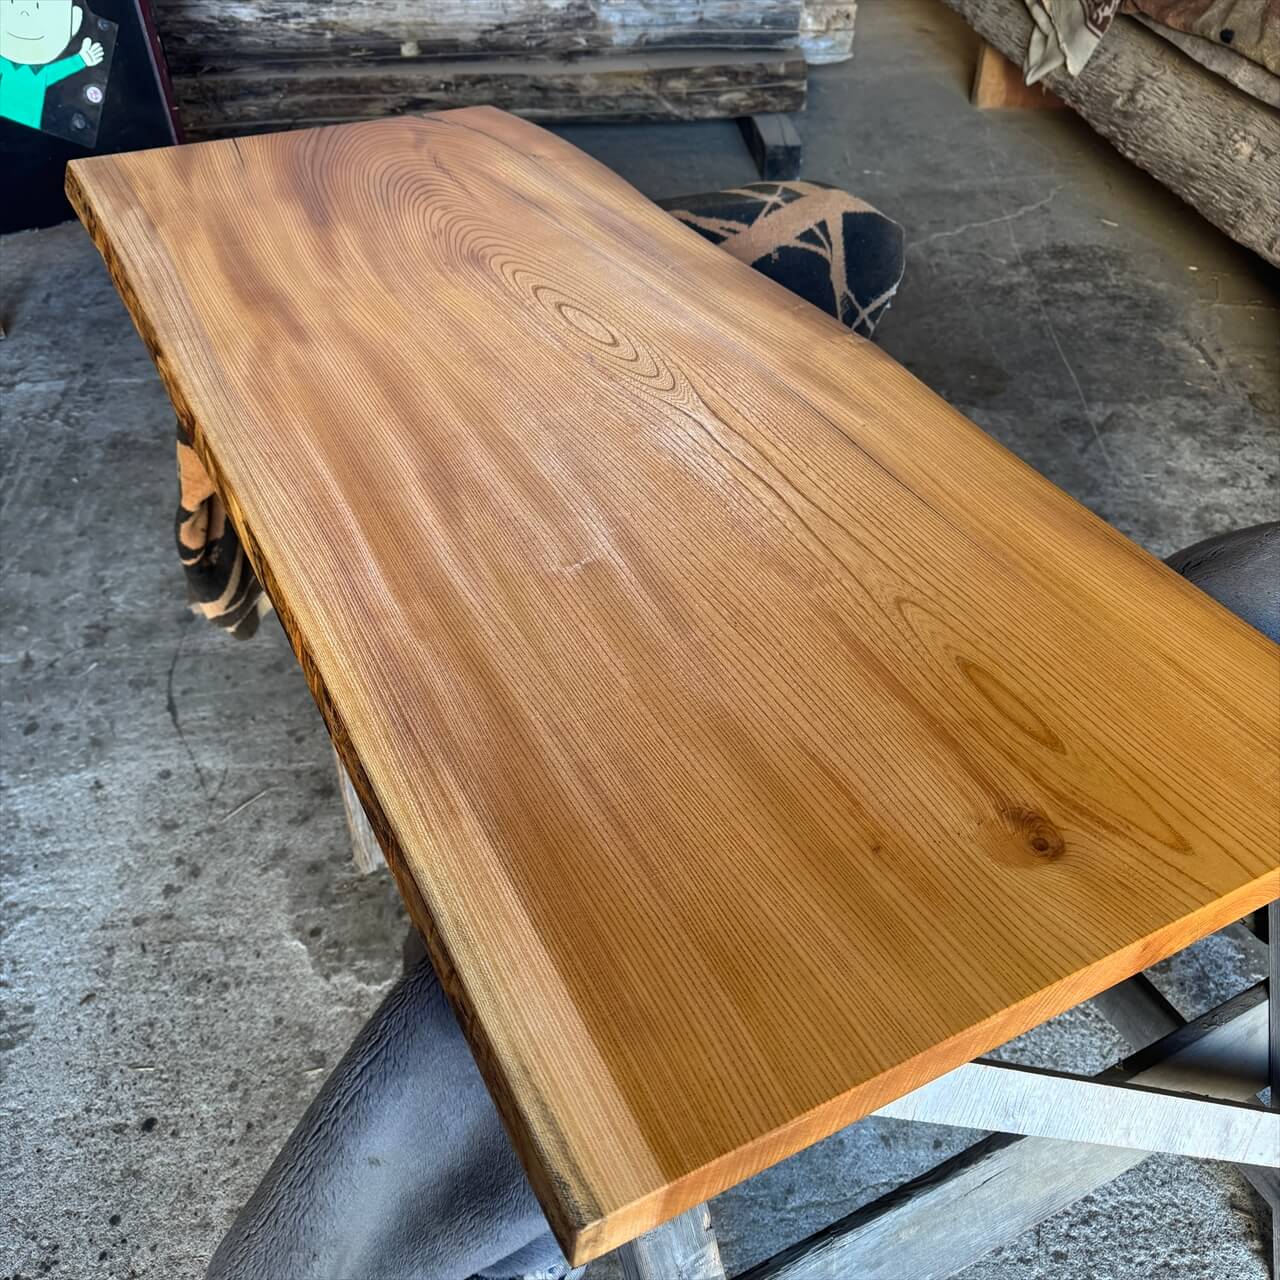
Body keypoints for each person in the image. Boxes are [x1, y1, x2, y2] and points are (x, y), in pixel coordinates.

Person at [0, 0, 103, 133]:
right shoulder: (6, 64)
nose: (24, 14)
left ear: (74, 22)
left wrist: (81, 60)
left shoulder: (41, 73)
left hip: (28, 129)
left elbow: (59, 70)